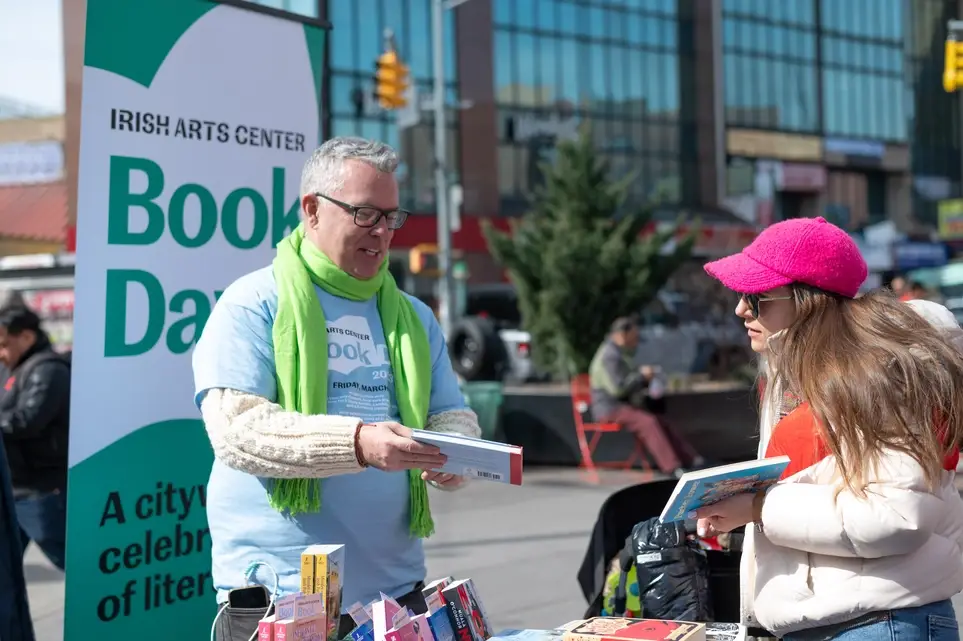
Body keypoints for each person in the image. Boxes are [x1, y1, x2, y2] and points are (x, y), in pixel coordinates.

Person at [193, 137, 481, 641]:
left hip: (396, 596)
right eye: (366, 214)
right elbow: (236, 430)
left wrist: (453, 453)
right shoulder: (254, 302)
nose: (382, 232)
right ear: (312, 210)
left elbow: (449, 413)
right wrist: (358, 443)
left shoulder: (413, 316)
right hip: (284, 602)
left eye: (392, 217)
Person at [693, 216, 963, 641]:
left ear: (809, 301)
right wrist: (740, 518)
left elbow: (896, 516)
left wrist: (760, 509)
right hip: (852, 621)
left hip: (877, 624)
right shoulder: (799, 374)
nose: (740, 309)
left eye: (757, 296)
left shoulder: (877, 377)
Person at [0, 306, 70, 572]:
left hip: (40, 491)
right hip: (14, 486)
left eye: (5, 345)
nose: (1, 353)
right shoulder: (12, 368)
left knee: (73, 566)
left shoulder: (48, 370)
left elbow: (28, 420)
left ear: (27, 338)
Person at [588, 316, 702, 477]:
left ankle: (691, 460)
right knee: (648, 422)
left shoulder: (618, 353)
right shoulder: (610, 356)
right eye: (634, 337)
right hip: (610, 408)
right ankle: (672, 467)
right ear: (622, 335)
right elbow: (618, 389)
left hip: (621, 405)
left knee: (660, 419)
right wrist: (641, 377)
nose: (636, 342)